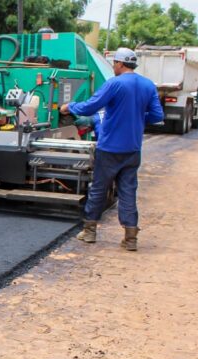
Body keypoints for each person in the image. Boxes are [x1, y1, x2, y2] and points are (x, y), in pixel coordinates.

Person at [60, 48, 164, 251]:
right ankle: (131, 237)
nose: (114, 67)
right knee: (128, 191)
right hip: (133, 149)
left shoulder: (114, 83)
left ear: (120, 64)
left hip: (109, 148)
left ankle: (90, 231)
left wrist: (69, 107)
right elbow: (157, 115)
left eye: (114, 63)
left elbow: (91, 106)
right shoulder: (148, 85)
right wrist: (137, 118)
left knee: (99, 188)